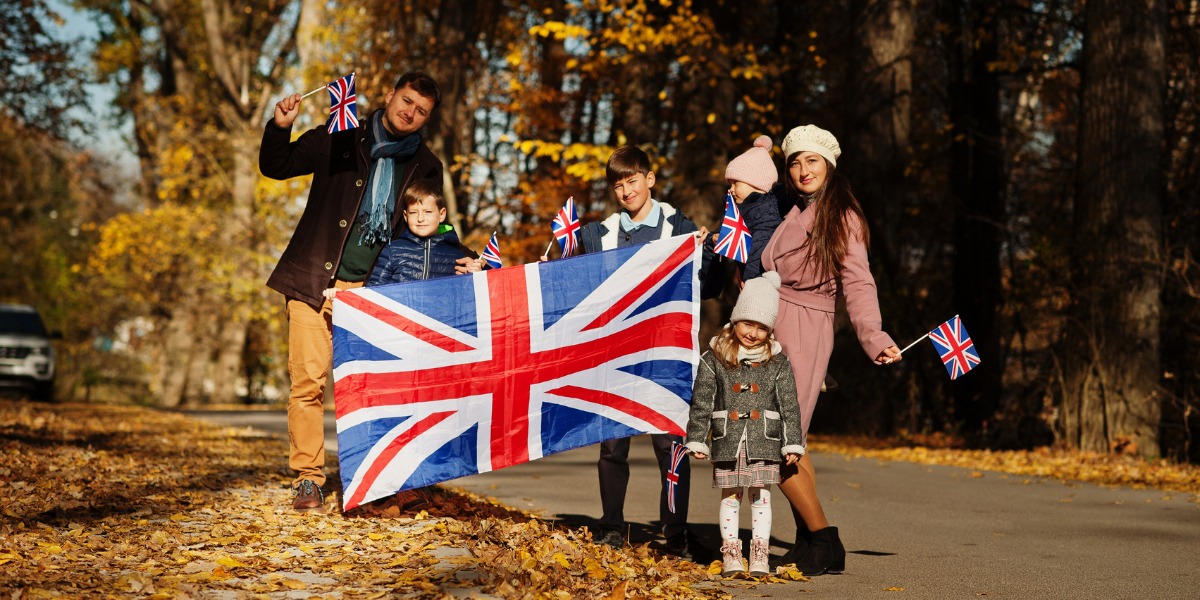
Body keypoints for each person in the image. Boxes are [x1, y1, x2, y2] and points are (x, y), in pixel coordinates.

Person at [259, 70, 471, 513]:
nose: (409, 113)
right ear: (391, 95)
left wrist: (465, 255)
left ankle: (381, 478)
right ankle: (308, 479)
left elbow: (430, 224)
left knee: (374, 393)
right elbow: (276, 167)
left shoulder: (425, 165)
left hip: (374, 293)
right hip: (313, 281)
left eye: (421, 111)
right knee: (308, 384)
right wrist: (281, 126)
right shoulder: (341, 136)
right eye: (406, 101)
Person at [761, 124, 903, 573]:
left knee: (775, 439)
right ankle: (808, 538)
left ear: (830, 165)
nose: (803, 170)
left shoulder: (842, 217)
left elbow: (858, 283)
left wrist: (873, 337)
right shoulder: (792, 209)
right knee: (790, 440)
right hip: (772, 325)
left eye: (812, 161)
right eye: (795, 162)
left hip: (805, 329)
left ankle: (825, 540)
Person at [576, 145, 721, 558]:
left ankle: (674, 531)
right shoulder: (598, 233)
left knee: (669, 445)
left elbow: (707, 288)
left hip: (663, 352)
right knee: (612, 444)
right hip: (614, 353)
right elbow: (576, 289)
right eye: (618, 184)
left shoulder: (678, 226)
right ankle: (610, 526)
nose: (626, 191)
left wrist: (707, 254)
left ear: (650, 179)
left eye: (633, 180)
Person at [683, 272, 805, 576]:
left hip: (764, 439)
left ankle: (760, 553)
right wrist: (698, 437)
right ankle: (732, 553)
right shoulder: (714, 358)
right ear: (735, 319)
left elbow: (789, 404)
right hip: (729, 439)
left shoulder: (778, 362)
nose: (753, 332)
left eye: (762, 327)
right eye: (747, 323)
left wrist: (792, 441)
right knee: (732, 494)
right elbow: (703, 400)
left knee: (761, 495)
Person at [723, 135, 783, 284]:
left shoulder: (765, 215)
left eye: (736, 183)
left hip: (757, 288)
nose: (730, 189)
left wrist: (749, 283)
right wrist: (712, 239)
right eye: (730, 184)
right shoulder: (745, 211)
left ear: (757, 184)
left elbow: (758, 254)